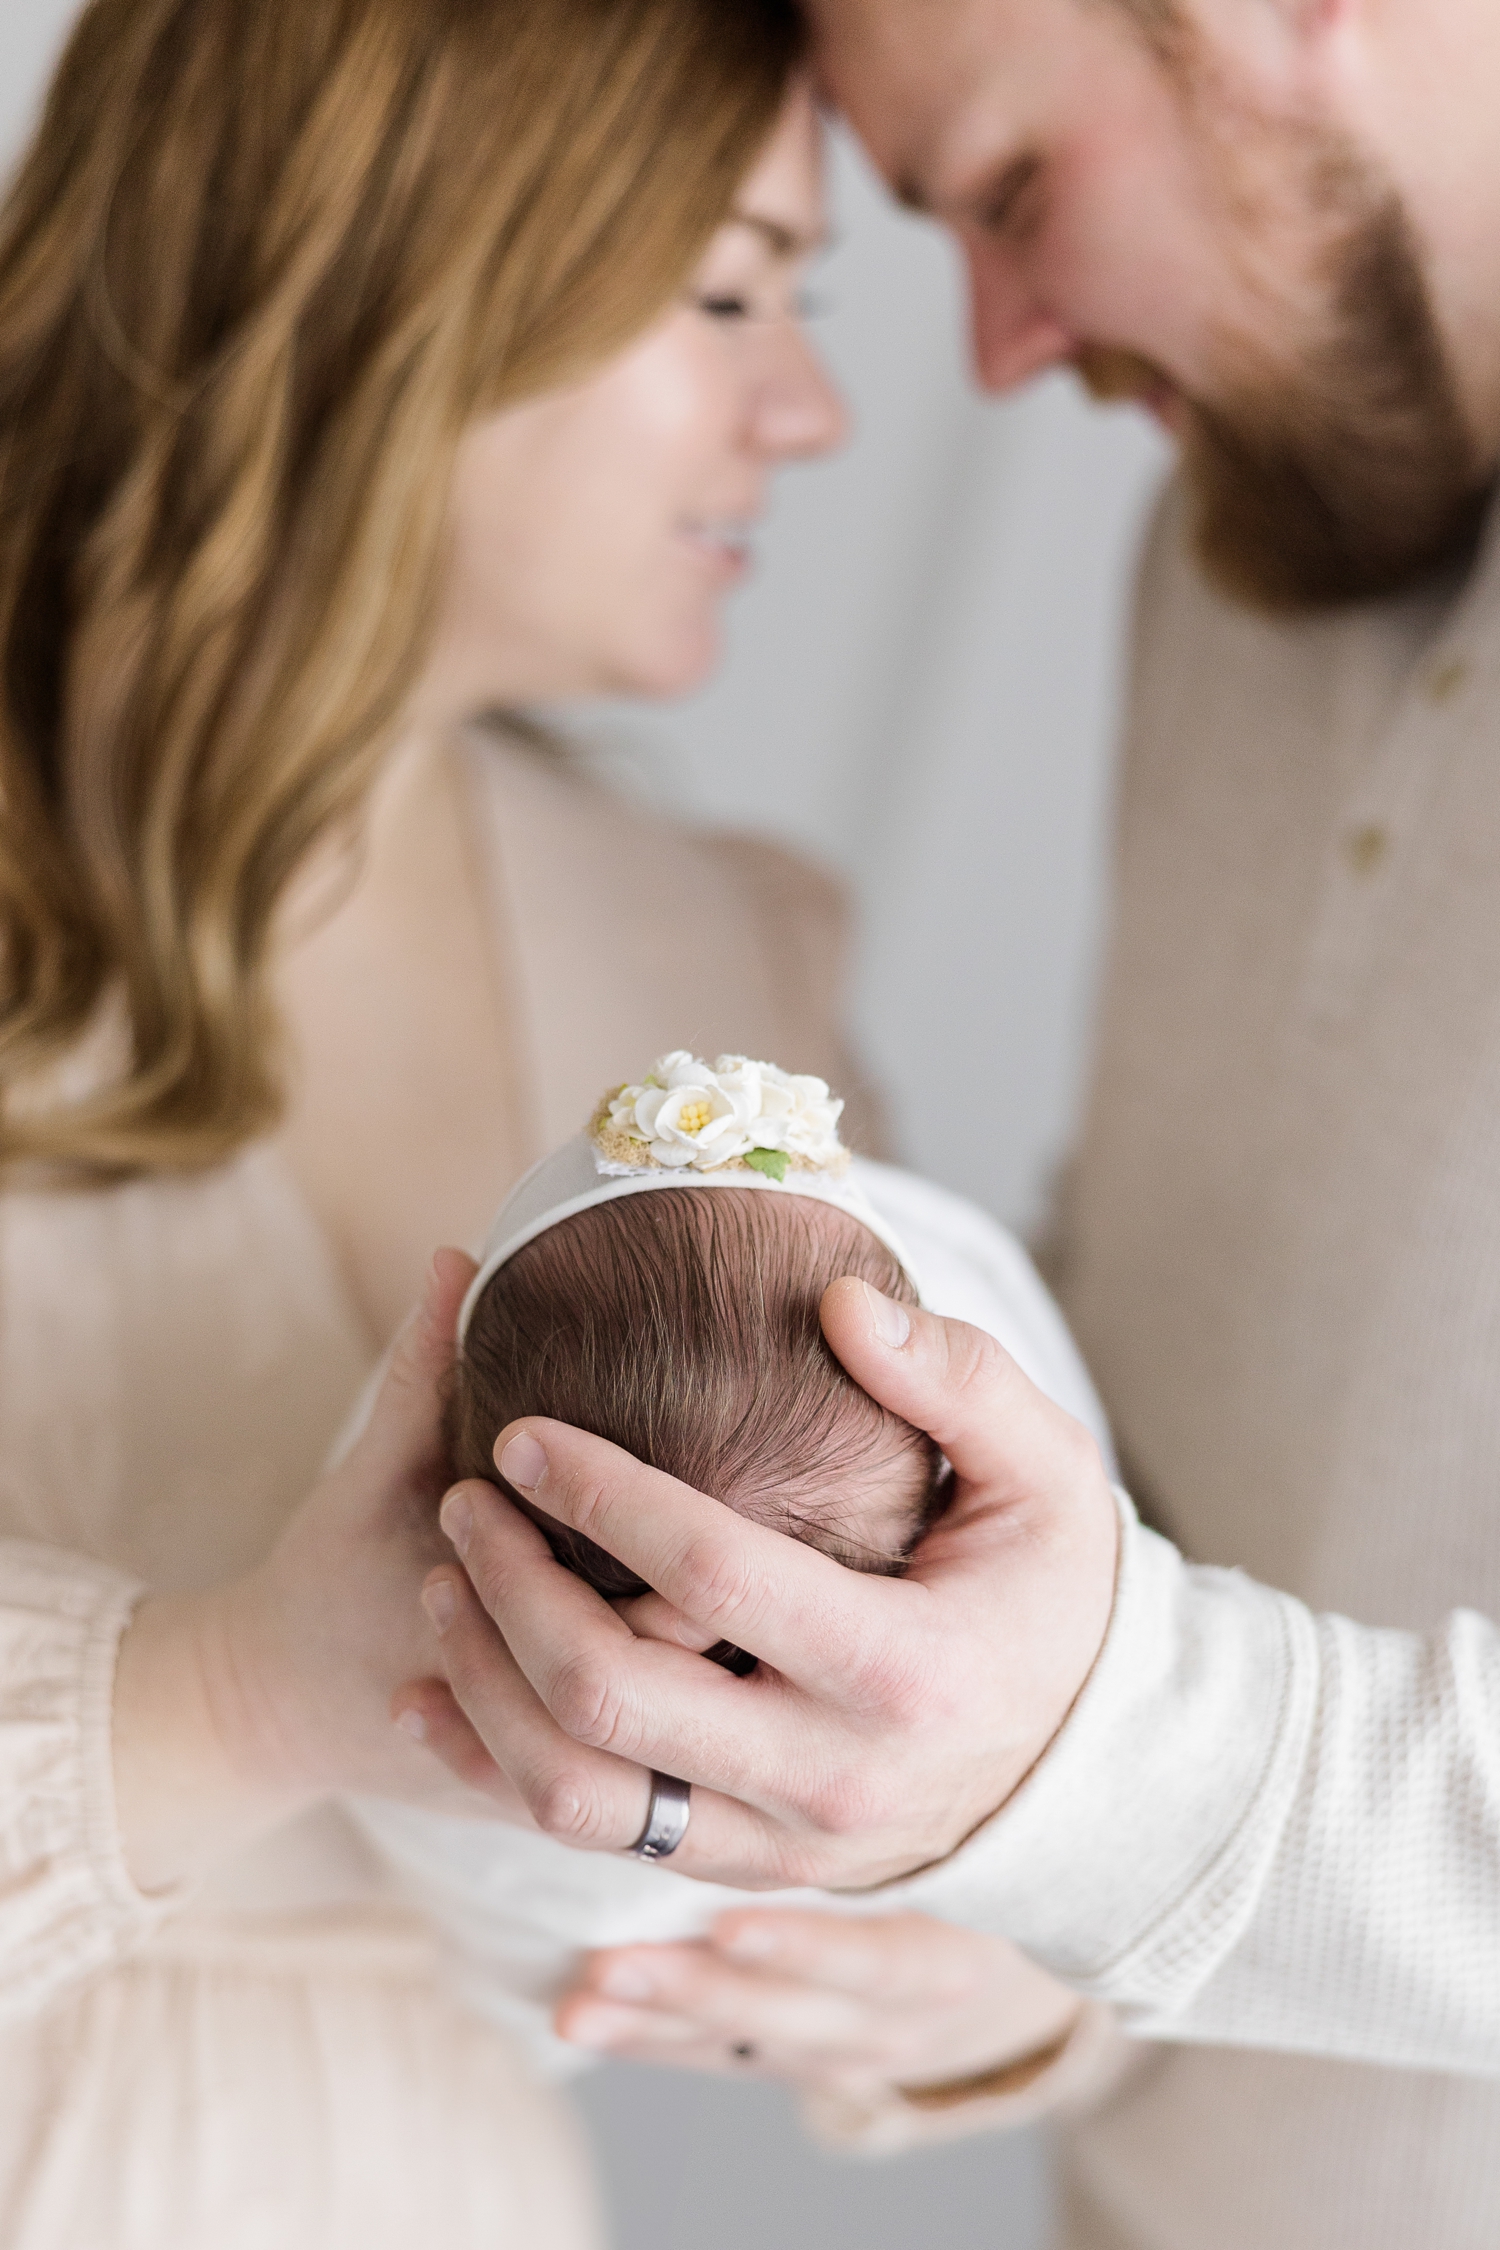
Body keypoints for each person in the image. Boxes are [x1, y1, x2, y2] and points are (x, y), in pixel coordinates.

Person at [406, 0, 1500, 2243]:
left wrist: (1080, 1757)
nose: (992, 354)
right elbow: (1180, 1472)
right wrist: (1005, 1974)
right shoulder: (1233, 576)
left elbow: (1124, 1709)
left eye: (1009, 194)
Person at [0, 0, 954, 2240]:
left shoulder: (737, 972)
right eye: (727, 293)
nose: (806, 411)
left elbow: (975, 1675)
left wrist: (979, 1975)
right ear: (398, 258)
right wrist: (240, 1695)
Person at [346, 1054, 1117, 2110]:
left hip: (510, 1982)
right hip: (842, 1936)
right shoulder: (1000, 1385)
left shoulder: (418, 1643)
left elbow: (488, 1921)